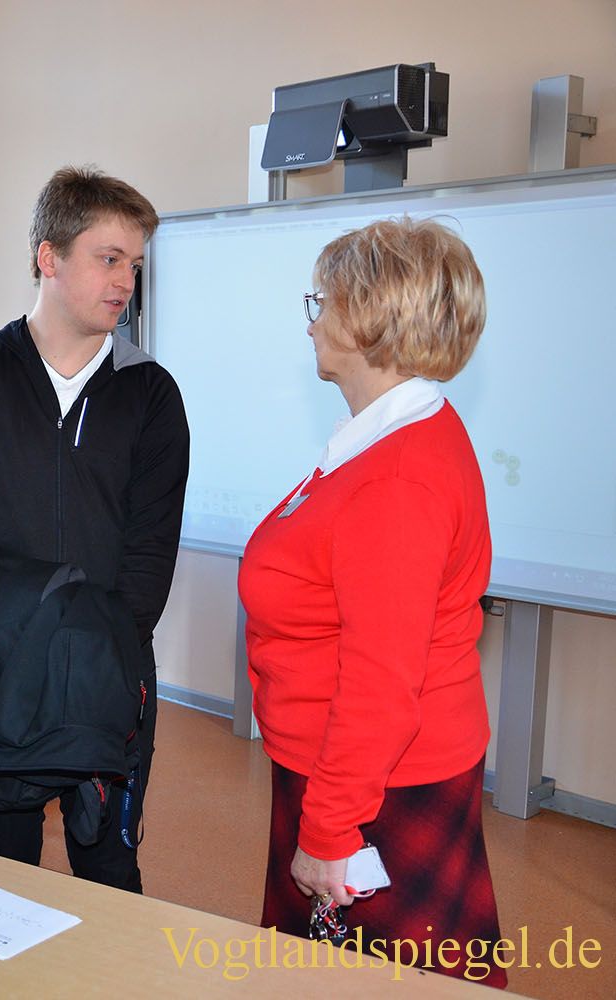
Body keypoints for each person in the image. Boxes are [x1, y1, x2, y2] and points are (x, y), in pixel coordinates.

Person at [239, 217, 505, 986]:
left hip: (375, 784)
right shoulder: (385, 437)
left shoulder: (396, 479)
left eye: (325, 300)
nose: (314, 319)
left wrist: (329, 828)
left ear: (371, 317)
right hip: (354, 769)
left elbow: (383, 679)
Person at [0, 166, 189, 891]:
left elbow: (149, 552)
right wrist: (26, 640)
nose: (125, 281)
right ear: (49, 257)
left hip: (113, 676)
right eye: (109, 258)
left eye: (134, 265)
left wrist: (96, 651)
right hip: (4, 670)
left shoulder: (151, 395)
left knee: (109, 872)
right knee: (1, 880)